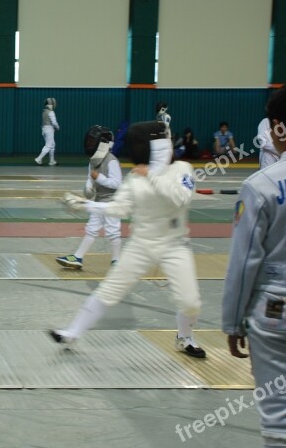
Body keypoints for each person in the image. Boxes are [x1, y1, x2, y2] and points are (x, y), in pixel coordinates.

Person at [222, 79, 286, 448]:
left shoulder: (261, 184)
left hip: (278, 311)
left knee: (281, 421)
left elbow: (245, 262)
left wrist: (232, 323)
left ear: (278, 127)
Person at [52, 120, 206, 358]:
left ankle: (185, 337)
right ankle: (71, 333)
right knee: (109, 290)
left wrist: (152, 176)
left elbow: (181, 198)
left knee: (191, 302)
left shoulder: (182, 169)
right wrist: (86, 205)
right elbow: (119, 208)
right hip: (142, 244)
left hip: (174, 246)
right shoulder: (135, 178)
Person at [56, 125, 122, 269]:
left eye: (93, 142)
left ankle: (117, 261)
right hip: (98, 201)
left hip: (112, 202)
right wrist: (88, 188)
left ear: (103, 143)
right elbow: (89, 180)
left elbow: (117, 183)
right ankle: (78, 257)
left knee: (112, 231)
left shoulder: (112, 161)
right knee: (91, 229)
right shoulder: (93, 161)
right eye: (89, 141)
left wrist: (99, 178)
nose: (90, 145)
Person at [34, 98, 60, 166]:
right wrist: (57, 127)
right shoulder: (51, 112)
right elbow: (54, 122)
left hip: (44, 129)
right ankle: (39, 158)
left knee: (52, 144)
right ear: (51, 104)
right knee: (48, 145)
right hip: (49, 129)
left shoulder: (44, 111)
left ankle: (52, 161)